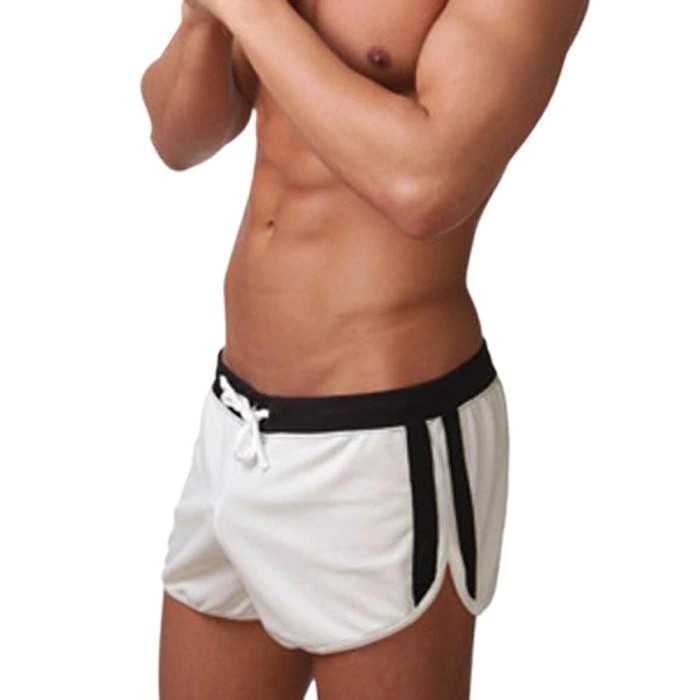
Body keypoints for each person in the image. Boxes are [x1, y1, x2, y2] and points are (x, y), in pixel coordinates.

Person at [140, 0, 588, 697]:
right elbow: (177, 140)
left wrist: (251, 12)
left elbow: (427, 185)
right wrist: (203, 20)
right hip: (237, 424)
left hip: (382, 439)